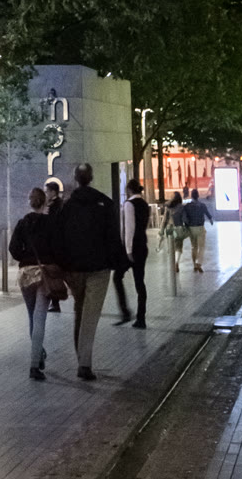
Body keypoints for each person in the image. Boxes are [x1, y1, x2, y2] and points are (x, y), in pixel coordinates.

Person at [54, 161, 126, 380]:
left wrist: (62, 266)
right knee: (90, 315)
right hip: (99, 268)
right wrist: (119, 263)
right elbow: (113, 237)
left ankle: (81, 358)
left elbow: (59, 238)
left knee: (80, 309)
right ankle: (84, 363)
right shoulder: (104, 203)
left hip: (74, 269)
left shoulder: (66, 206)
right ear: (92, 177)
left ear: (76, 179)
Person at [9, 186, 61, 381]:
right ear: (44, 202)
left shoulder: (23, 223)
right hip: (44, 273)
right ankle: (34, 365)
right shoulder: (50, 223)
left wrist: (25, 257)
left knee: (32, 316)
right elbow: (58, 249)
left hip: (26, 274)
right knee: (40, 319)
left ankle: (38, 353)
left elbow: (13, 248)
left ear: (30, 202)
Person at [117, 178, 150, 328]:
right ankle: (141, 317)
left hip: (131, 249)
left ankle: (125, 312)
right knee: (139, 282)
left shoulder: (129, 204)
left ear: (129, 190)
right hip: (143, 246)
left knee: (117, 277)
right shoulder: (144, 204)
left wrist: (128, 250)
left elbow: (129, 228)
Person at [180, 185, 212, 273]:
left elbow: (184, 216)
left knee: (194, 247)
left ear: (191, 196)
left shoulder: (187, 206)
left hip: (191, 228)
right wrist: (210, 219)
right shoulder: (202, 205)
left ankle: (194, 264)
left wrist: (186, 224)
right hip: (200, 228)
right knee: (201, 247)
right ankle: (199, 263)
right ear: (198, 196)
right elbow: (208, 214)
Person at [44, 177, 65, 313]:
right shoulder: (62, 204)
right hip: (61, 244)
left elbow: (50, 225)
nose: (46, 194)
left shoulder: (53, 206)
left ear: (53, 192)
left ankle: (55, 302)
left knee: (54, 274)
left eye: (47, 191)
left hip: (54, 245)